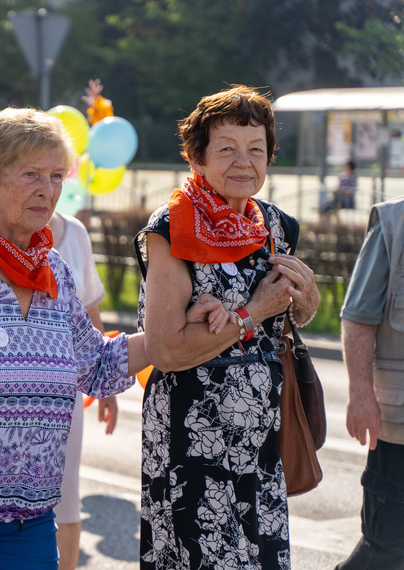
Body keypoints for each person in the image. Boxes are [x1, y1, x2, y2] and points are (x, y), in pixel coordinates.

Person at [0, 107, 229, 569]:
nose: (48, 189)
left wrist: (179, 327)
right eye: (31, 173)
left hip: (29, 515)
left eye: (57, 175)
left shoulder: (53, 267)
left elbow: (95, 365)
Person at [134, 85, 321, 569]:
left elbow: (292, 317)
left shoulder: (277, 227)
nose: (245, 162)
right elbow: (165, 350)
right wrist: (252, 311)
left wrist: (307, 300)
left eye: (256, 150)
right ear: (197, 158)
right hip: (191, 439)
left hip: (261, 441)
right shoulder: (172, 229)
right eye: (227, 149)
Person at [335, 195, 404, 569]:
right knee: (386, 545)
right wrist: (361, 393)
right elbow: (359, 316)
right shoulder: (394, 223)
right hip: (400, 428)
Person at [48, 210, 117, 570]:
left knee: (65, 498)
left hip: (66, 390)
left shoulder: (74, 232)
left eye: (56, 174)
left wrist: (105, 383)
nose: (45, 184)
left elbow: (90, 307)